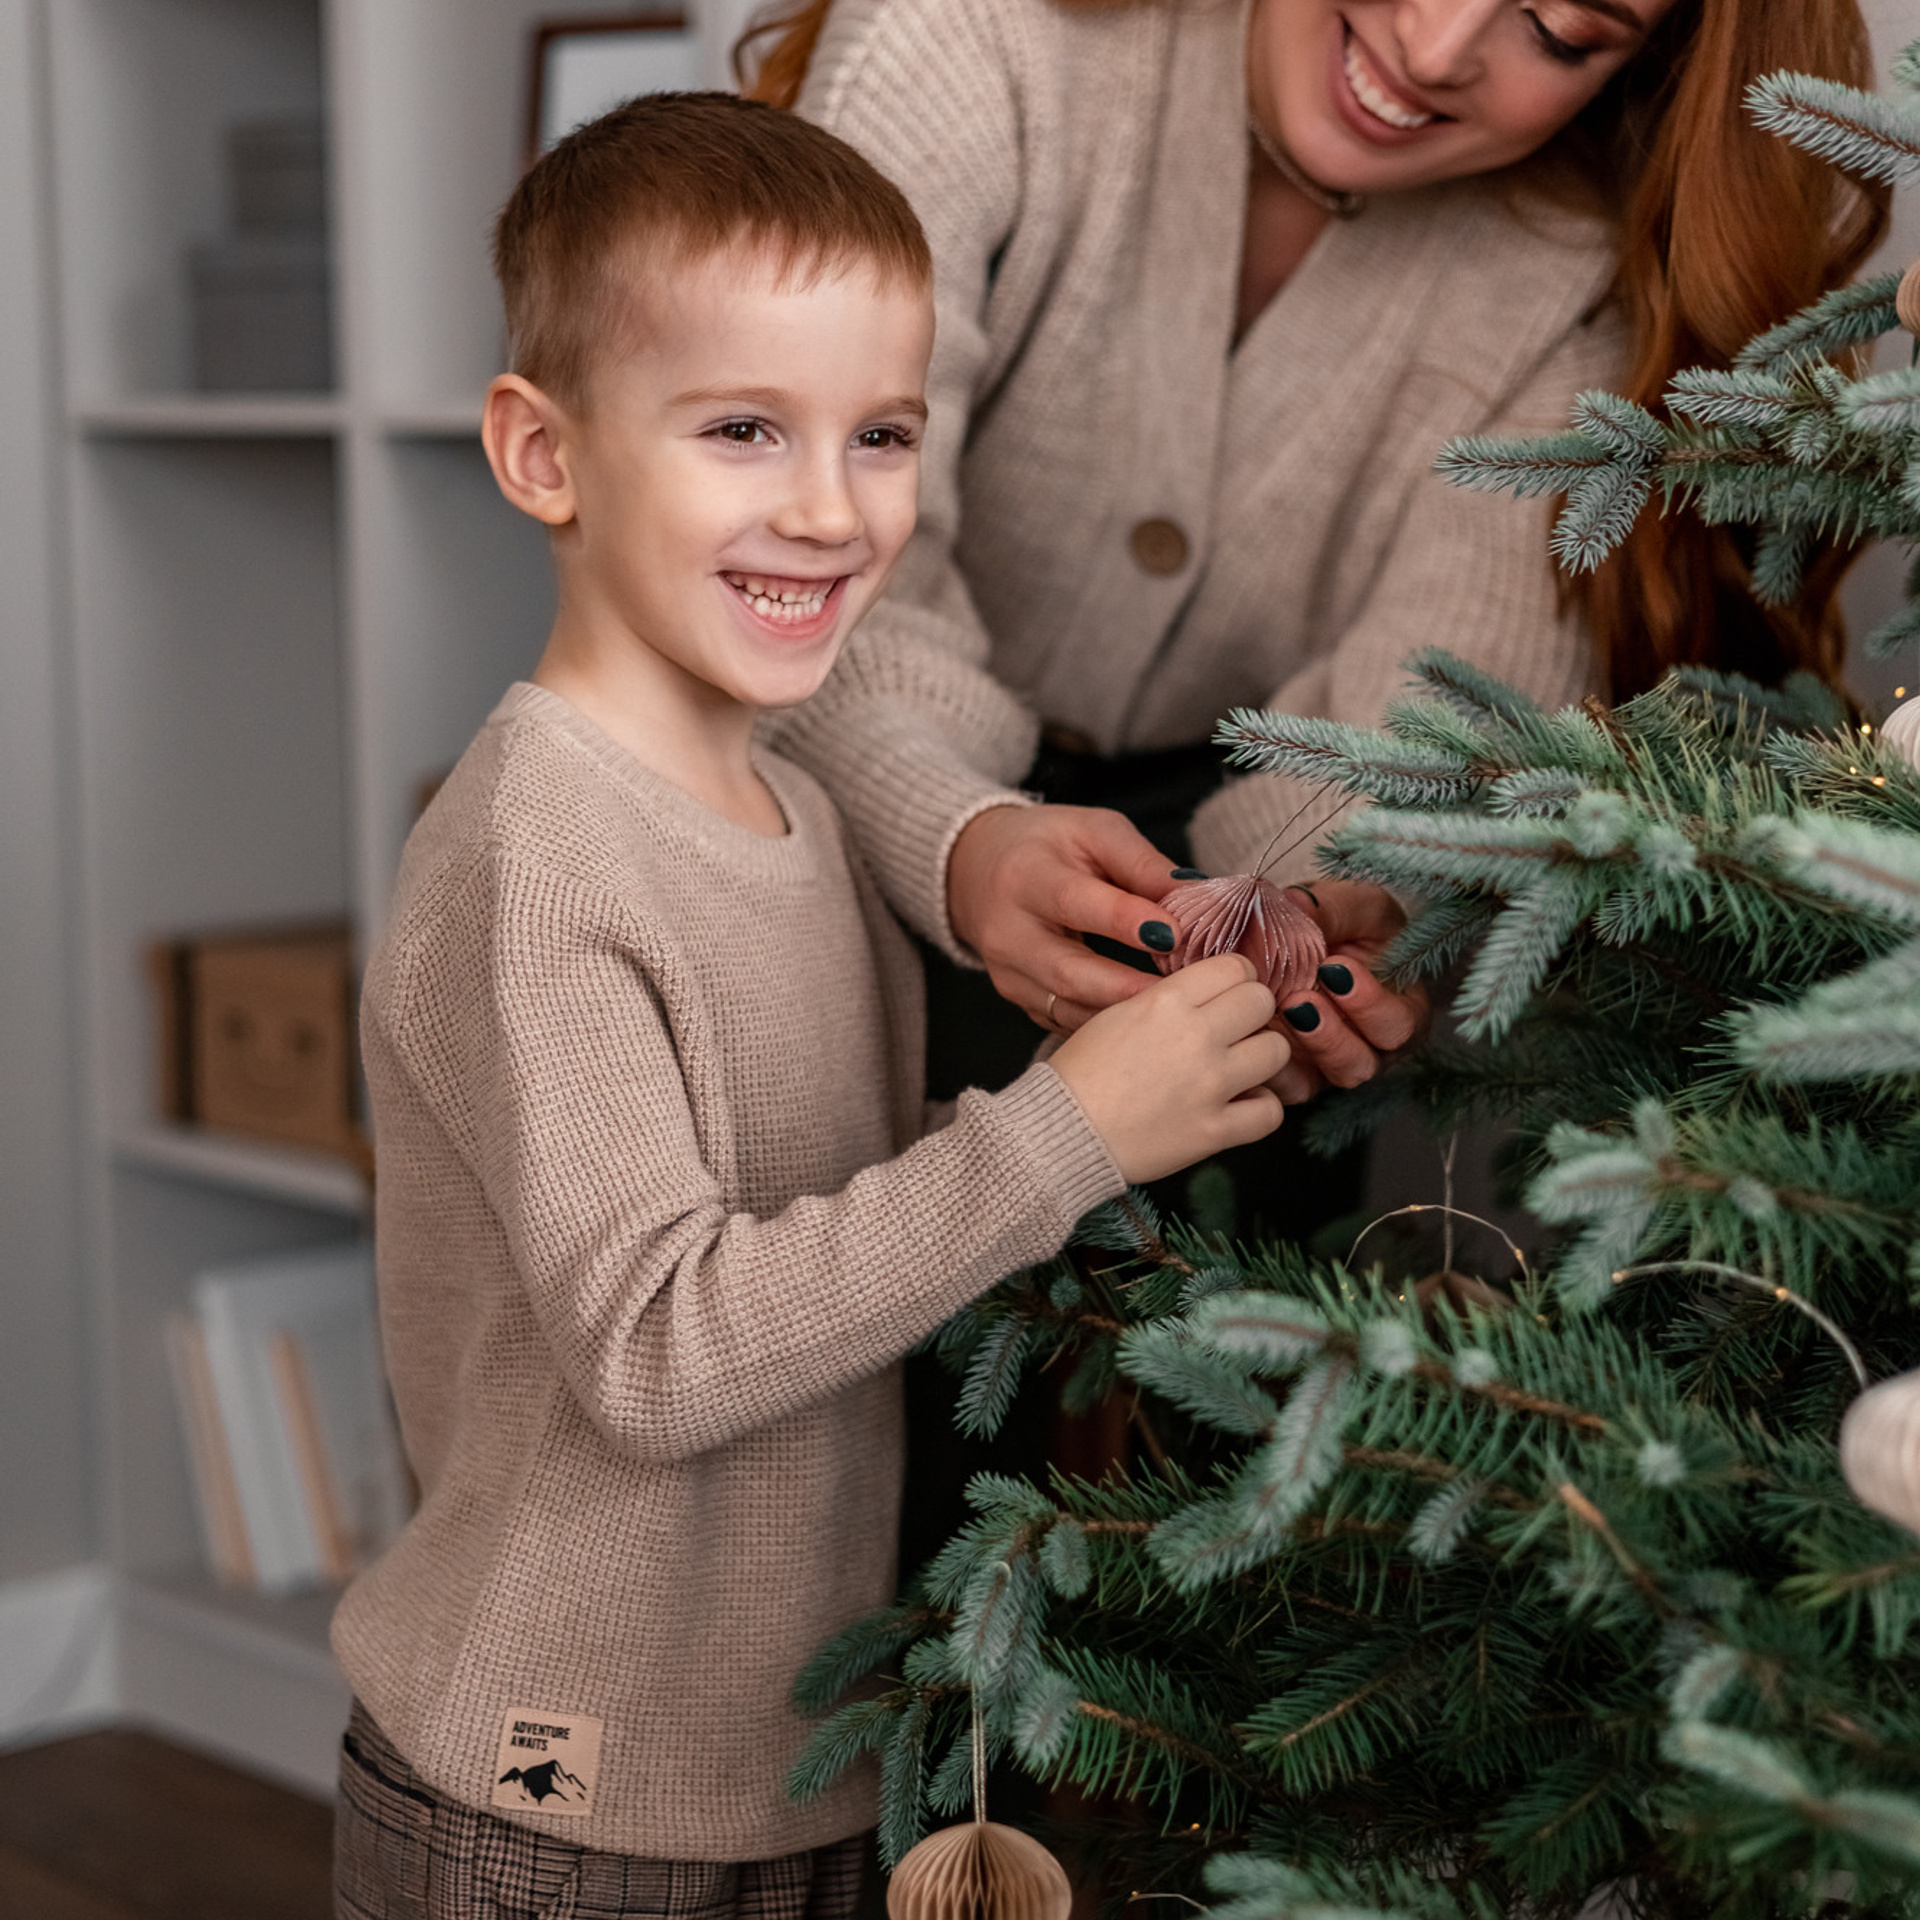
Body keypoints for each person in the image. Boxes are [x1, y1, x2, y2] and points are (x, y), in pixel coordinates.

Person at [329, 92, 1290, 1920]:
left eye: (884, 434)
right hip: (552, 1800)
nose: (830, 508)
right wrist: (1061, 1132)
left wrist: (1111, 1128)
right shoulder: (537, 852)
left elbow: (817, 1211)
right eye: (744, 429)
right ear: (546, 456)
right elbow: (665, 1346)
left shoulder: (810, 809)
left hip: (800, 1770)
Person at [743, 0, 1888, 1107]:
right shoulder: (964, 34)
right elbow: (777, 539)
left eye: (1559, 30)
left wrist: (1327, 897)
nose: (1435, 47)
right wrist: (953, 837)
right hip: (795, 816)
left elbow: (1437, 713)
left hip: (1226, 958)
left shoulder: (1591, 279)